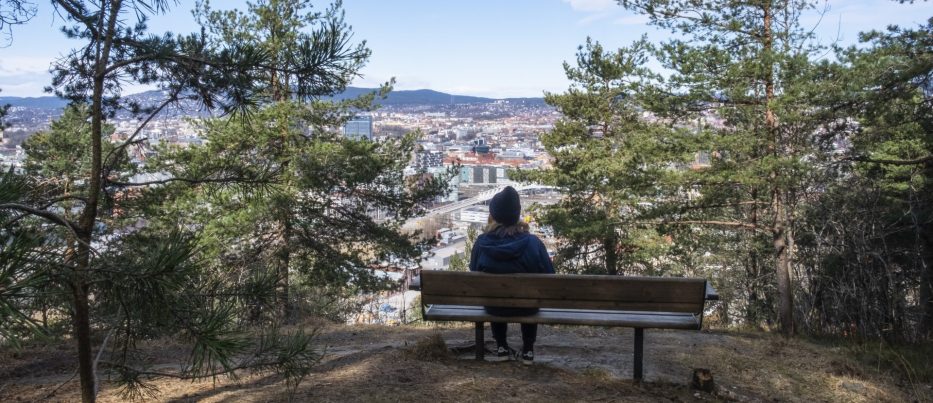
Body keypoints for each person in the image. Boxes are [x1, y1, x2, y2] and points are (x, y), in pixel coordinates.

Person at [469, 186, 554, 365]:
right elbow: (549, 275)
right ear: (517, 215)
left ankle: (501, 346)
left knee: (494, 293)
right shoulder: (533, 242)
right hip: (528, 307)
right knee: (530, 296)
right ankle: (528, 349)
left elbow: (473, 271)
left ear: (494, 215)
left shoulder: (481, 243)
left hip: (494, 307)